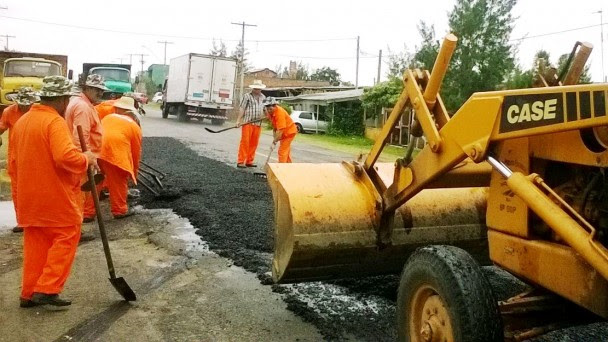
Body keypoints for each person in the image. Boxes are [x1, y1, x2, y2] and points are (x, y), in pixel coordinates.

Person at [9, 76, 97, 309]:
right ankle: (47, 289)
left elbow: (14, 161)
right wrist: (86, 159)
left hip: (30, 198)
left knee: (36, 245)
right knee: (68, 234)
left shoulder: (23, 121)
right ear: (61, 99)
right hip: (54, 196)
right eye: (67, 99)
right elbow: (65, 157)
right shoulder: (54, 122)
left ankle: (28, 293)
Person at [65, 74, 108, 223]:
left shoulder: (81, 103)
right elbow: (80, 137)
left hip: (84, 156)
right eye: (97, 90)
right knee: (79, 194)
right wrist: (87, 159)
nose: (100, 93)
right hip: (83, 158)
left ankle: (76, 223)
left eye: (102, 90)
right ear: (87, 88)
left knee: (79, 193)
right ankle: (74, 227)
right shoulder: (83, 107)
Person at [97, 96, 142, 219]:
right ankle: (119, 211)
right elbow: (135, 153)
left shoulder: (107, 117)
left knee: (96, 180)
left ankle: (87, 213)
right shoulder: (134, 126)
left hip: (96, 151)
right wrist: (133, 173)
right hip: (115, 154)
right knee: (119, 181)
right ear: (131, 112)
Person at [0, 87, 37, 233]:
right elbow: (1, 127)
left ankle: (36, 219)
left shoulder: (38, 111)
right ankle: (22, 221)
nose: (26, 106)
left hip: (35, 157)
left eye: (28, 104)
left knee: (36, 189)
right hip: (16, 158)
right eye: (23, 104)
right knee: (17, 190)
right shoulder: (9, 112)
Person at [236, 80, 266, 168]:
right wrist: (238, 120)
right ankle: (241, 161)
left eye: (259, 89)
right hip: (247, 122)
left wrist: (267, 115)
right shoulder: (247, 96)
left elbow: (265, 109)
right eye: (256, 88)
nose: (257, 90)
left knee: (254, 143)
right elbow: (242, 108)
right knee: (245, 142)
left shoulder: (263, 97)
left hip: (258, 123)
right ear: (253, 88)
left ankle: (249, 161)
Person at [263, 97, 297, 163]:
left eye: (270, 108)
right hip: (284, 133)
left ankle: (281, 168)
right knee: (286, 150)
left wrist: (275, 141)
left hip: (289, 132)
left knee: (282, 151)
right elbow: (275, 127)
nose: (268, 110)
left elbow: (280, 130)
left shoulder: (279, 113)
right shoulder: (271, 113)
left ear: (274, 106)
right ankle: (288, 165)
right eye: (267, 107)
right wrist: (274, 138)